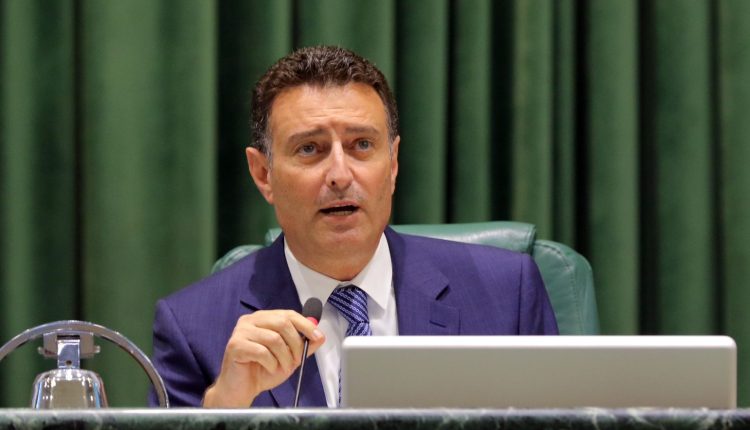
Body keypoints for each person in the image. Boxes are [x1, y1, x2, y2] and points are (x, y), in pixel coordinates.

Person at [149, 45, 558, 408]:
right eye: (310, 149)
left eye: (362, 145)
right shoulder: (192, 328)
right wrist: (224, 409)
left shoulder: (506, 294)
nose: (340, 175)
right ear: (263, 174)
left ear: (393, 164)